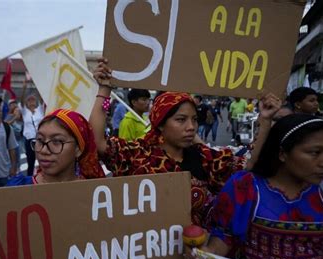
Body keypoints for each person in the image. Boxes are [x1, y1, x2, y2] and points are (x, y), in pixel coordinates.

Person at [90, 58, 281, 225]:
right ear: (161, 124)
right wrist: (104, 90)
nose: (191, 127)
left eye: (194, 120)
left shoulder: (204, 156)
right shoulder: (138, 154)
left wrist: (265, 120)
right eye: (181, 120)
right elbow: (98, 143)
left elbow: (249, 166)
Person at [204, 114, 323, 259]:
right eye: (315, 152)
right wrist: (204, 254)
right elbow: (223, 239)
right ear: (282, 153)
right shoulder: (245, 186)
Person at [16, 109, 105, 184]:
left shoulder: (94, 195)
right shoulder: (16, 189)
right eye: (40, 140)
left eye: (57, 141)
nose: (44, 150)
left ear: (78, 149)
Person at [19, 82, 45, 176]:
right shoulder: (25, 111)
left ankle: (43, 178)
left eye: (33, 99)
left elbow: (42, 98)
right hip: (29, 140)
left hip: (40, 140)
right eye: (29, 100)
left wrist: (38, 85)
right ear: (26, 103)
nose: (31, 101)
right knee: (30, 162)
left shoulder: (40, 110)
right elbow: (21, 99)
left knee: (43, 161)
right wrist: (24, 87)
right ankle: (29, 180)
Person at [5, 99, 24, 170]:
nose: (14, 106)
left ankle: (17, 172)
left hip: (18, 141)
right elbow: (5, 125)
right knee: (11, 159)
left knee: (18, 159)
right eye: (11, 104)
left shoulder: (21, 118)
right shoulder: (9, 116)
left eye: (15, 104)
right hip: (10, 142)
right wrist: (14, 118)